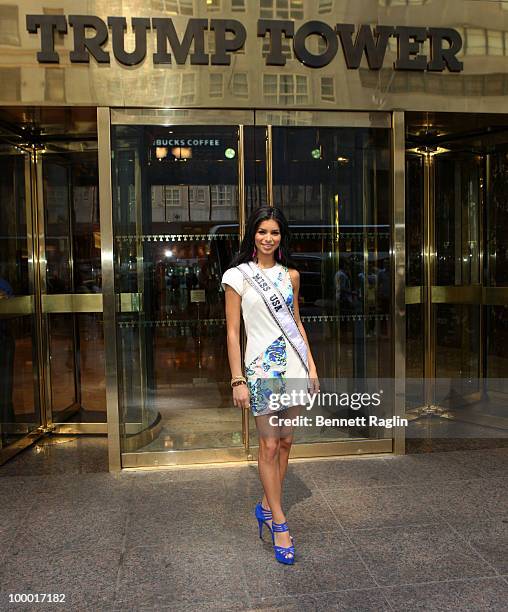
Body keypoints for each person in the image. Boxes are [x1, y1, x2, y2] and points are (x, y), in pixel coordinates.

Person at [221, 206, 319, 565]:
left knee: (287, 440)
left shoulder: (290, 276)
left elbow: (297, 323)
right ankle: (279, 522)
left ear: (282, 237)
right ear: (253, 234)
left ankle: (265, 505)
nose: (268, 238)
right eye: (262, 231)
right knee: (268, 444)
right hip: (261, 370)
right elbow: (233, 332)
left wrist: (311, 366)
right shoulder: (238, 276)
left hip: (292, 365)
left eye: (274, 232)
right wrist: (237, 379)